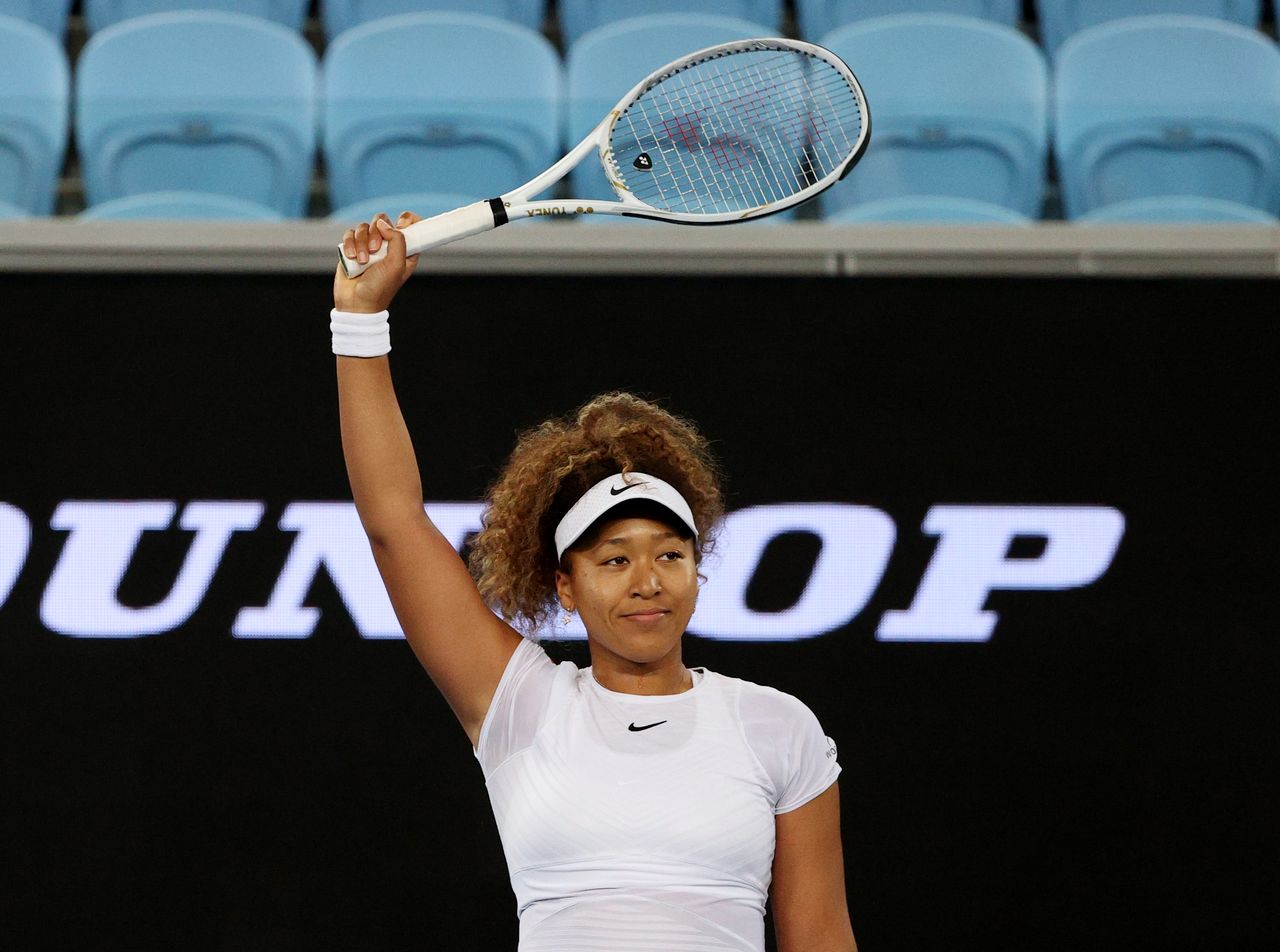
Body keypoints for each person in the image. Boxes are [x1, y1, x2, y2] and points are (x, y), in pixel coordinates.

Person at [332, 212, 857, 952]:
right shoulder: (521, 705)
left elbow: (822, 937)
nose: (648, 582)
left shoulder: (779, 728)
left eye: (669, 555)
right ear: (566, 585)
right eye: (615, 560)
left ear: (697, 570)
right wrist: (359, 319)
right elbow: (393, 520)